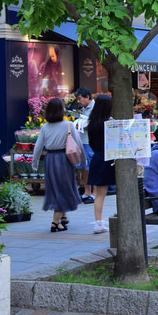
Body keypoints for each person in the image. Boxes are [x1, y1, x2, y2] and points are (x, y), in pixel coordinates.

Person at [30, 97, 85, 232]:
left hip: (50, 159)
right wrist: (83, 161)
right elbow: (79, 144)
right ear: (61, 110)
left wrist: (34, 163)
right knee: (63, 188)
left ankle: (64, 217)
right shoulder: (68, 125)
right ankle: (55, 222)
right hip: (64, 159)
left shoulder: (45, 127)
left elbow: (38, 147)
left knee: (56, 187)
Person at [84, 94, 114, 234]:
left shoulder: (92, 124)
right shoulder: (110, 124)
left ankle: (98, 222)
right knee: (106, 192)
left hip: (98, 157)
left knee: (99, 194)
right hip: (110, 157)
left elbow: (91, 144)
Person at [72, 87, 95, 203]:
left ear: (87, 97)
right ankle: (87, 192)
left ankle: (94, 193)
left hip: (91, 142)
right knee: (83, 167)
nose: (78, 101)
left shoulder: (95, 108)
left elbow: (96, 124)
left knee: (91, 167)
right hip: (82, 141)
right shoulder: (84, 109)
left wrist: (85, 126)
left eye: (80, 99)